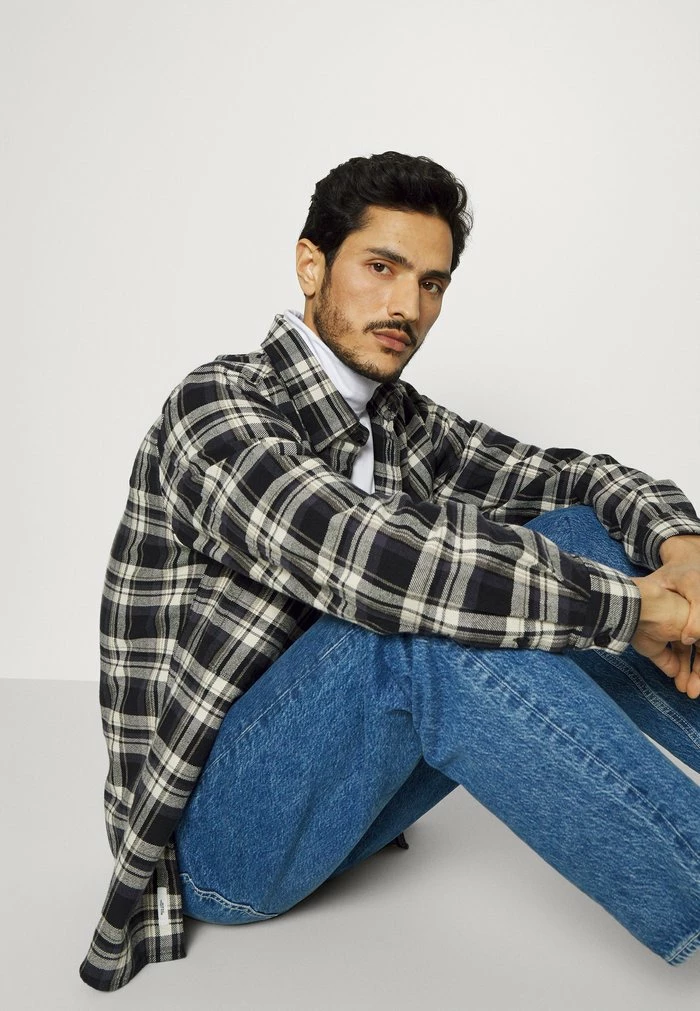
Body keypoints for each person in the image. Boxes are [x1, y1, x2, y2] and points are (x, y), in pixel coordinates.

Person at [80, 151, 700, 992]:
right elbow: (373, 561)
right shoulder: (217, 408)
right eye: (382, 267)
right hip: (215, 842)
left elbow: (577, 479)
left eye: (431, 283)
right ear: (312, 265)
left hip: (342, 802)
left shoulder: (400, 423)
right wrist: (634, 610)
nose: (408, 305)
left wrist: (682, 548)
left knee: (574, 532)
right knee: (417, 629)